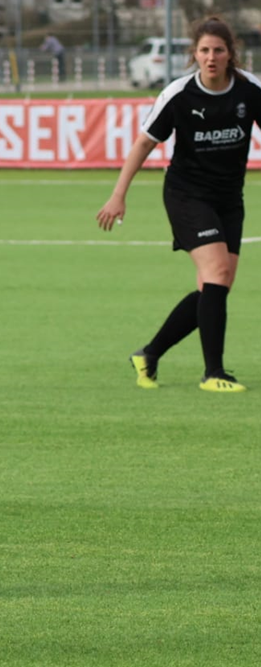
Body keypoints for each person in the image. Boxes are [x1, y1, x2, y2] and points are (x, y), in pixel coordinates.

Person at [97, 17, 261, 393]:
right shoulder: (179, 94)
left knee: (217, 284)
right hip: (187, 195)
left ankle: (149, 354)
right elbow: (143, 144)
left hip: (229, 197)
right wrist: (118, 194)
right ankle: (214, 373)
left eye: (218, 50)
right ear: (195, 54)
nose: (211, 57)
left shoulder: (250, 90)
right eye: (204, 50)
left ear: (230, 53)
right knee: (217, 272)